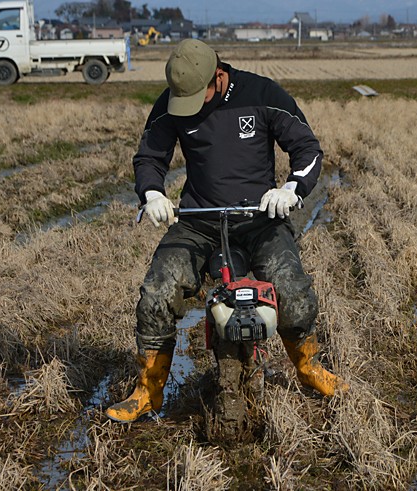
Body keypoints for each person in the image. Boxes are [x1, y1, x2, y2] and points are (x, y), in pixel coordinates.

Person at [105, 39, 346, 423]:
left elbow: (307, 148)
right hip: (199, 221)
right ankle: (148, 390)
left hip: (259, 221)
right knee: (156, 292)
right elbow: (150, 155)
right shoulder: (174, 101)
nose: (192, 107)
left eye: (198, 96)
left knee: (294, 291)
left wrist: (291, 189)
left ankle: (308, 367)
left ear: (218, 75)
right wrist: (151, 192)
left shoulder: (261, 94)